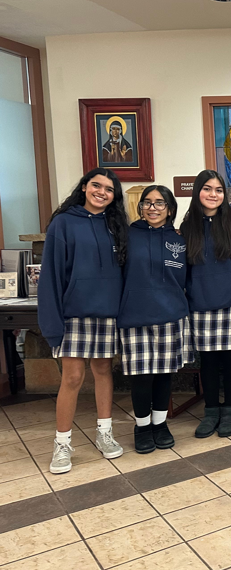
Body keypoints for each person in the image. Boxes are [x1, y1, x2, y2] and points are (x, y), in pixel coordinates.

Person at [39, 168, 129, 474]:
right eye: (96, 185)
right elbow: (51, 276)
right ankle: (62, 443)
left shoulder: (117, 225)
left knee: (103, 371)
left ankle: (105, 432)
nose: (102, 192)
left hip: (108, 313)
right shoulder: (63, 223)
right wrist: (53, 323)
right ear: (84, 187)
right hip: (74, 313)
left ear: (114, 196)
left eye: (109, 189)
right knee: (73, 378)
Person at [119, 185, 191, 454]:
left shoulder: (180, 239)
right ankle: (142, 427)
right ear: (140, 207)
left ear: (170, 209)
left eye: (160, 203)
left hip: (171, 313)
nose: (153, 208)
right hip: (135, 314)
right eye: (147, 203)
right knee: (141, 376)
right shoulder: (128, 235)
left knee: (164, 373)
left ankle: (160, 424)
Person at [182, 170, 231, 439]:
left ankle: (230, 410)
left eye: (218, 190)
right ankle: (211, 411)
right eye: (207, 189)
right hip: (200, 302)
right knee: (208, 361)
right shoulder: (187, 227)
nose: (213, 194)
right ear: (197, 192)